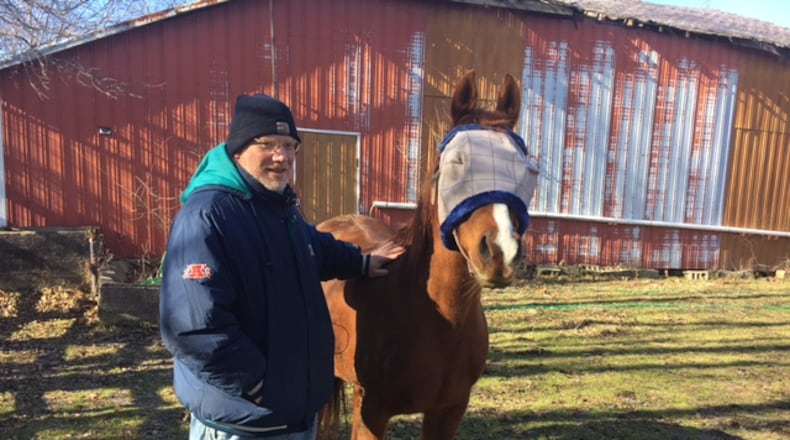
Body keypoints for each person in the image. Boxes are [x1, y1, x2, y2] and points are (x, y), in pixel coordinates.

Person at [159, 94, 404, 440]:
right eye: (269, 144)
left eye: (290, 146)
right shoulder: (208, 217)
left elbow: (314, 247)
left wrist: (362, 262)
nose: (283, 156)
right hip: (244, 423)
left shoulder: (277, 208)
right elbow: (193, 328)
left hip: (291, 415)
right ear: (238, 149)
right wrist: (260, 386)